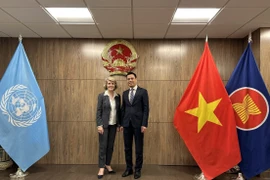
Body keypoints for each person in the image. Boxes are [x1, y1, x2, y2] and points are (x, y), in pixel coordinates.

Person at [120, 72, 149, 179]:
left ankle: (138, 170)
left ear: (136, 79)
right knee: (127, 148)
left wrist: (144, 124)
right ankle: (129, 169)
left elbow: (146, 109)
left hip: (138, 125)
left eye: (132, 78)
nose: (130, 80)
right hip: (127, 124)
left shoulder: (143, 92)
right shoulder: (125, 93)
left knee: (138, 148)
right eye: (128, 79)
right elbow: (123, 109)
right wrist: (121, 123)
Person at [96, 76, 121, 179]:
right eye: (109, 83)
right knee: (103, 146)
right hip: (104, 126)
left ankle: (107, 164)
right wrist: (99, 124)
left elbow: (118, 111)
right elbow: (98, 111)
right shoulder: (102, 96)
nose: (111, 85)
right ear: (106, 85)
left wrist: (119, 124)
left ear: (115, 85)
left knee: (110, 146)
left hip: (114, 125)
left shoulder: (118, 96)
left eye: (112, 83)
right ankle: (101, 167)